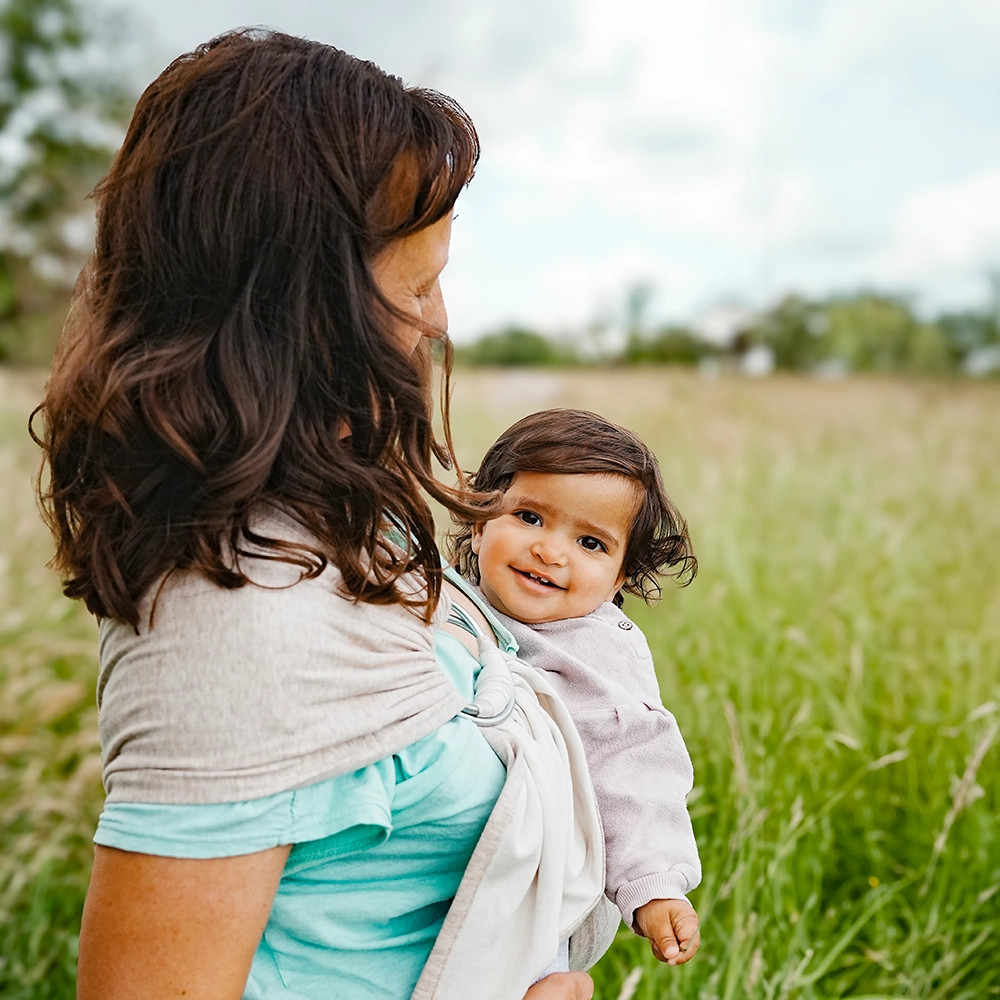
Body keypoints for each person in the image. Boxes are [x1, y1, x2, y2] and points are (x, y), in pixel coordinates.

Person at [32, 29, 605, 1000]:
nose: (439, 325)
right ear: (297, 308)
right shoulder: (239, 633)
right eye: (415, 287)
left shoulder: (332, 516)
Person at [447, 408, 703, 968]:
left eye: (591, 543)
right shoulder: (450, 598)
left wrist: (654, 883)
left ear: (620, 578)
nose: (552, 551)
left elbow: (632, 762)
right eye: (530, 517)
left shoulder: (593, 652)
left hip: (539, 905)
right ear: (478, 518)